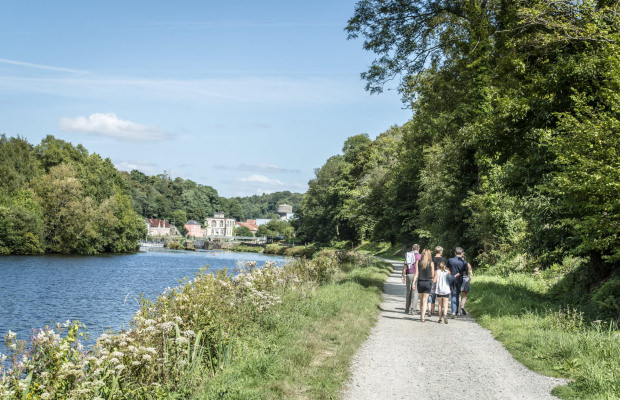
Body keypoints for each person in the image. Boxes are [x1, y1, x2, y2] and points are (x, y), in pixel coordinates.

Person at [414, 248, 435, 322]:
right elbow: (433, 275)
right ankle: (423, 317)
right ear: (429, 255)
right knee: (425, 300)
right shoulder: (431, 263)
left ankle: (421, 315)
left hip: (420, 282)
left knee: (421, 300)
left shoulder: (418, 262)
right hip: (428, 282)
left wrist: (413, 283)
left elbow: (416, 273)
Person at [447, 247, 467, 318]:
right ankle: (455, 311)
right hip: (459, 279)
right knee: (457, 294)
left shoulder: (450, 260)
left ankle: (453, 311)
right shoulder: (464, 262)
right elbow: (464, 272)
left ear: (455, 253)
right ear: (462, 253)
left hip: (452, 278)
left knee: (453, 294)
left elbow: (448, 269)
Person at [401, 244, 420, 314]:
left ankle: (407, 309)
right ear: (418, 249)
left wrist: (403, 275)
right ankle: (413, 310)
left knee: (408, 292)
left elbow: (405, 266)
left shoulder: (408, 255)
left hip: (409, 274)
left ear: (412, 249)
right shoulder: (420, 256)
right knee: (415, 293)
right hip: (417, 275)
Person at [458, 251, 473, 316]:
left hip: (459, 279)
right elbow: (470, 273)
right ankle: (462, 306)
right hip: (466, 279)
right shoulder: (468, 264)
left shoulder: (458, 263)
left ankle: (458, 311)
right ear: (465, 257)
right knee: (464, 295)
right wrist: (470, 279)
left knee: (458, 295)